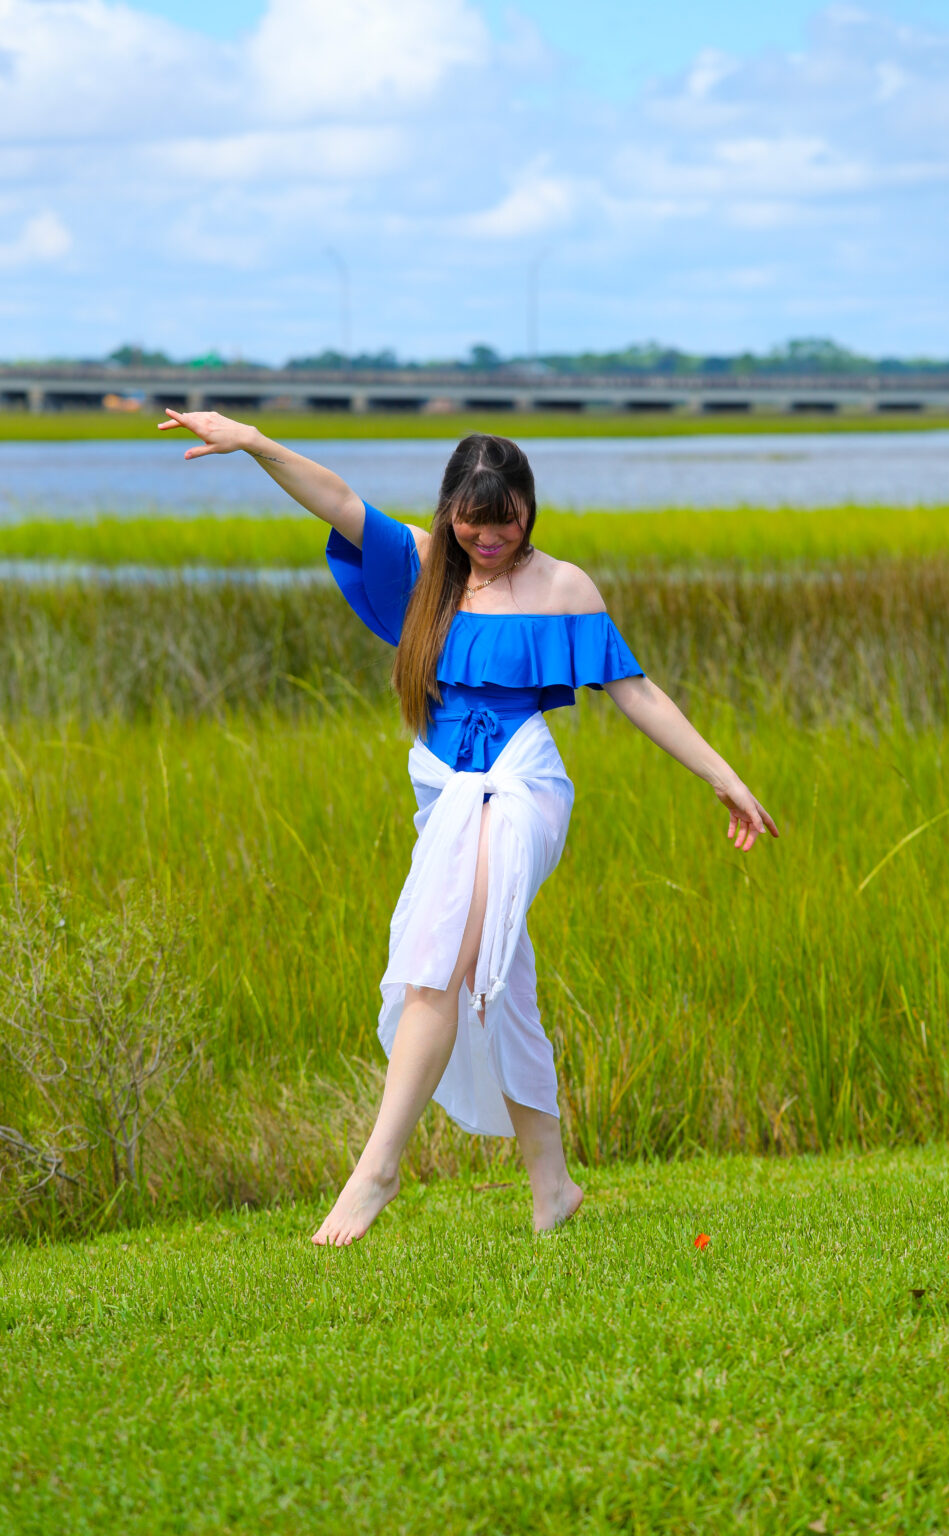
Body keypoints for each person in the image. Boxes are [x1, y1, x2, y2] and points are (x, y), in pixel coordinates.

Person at [158, 411, 779, 1245]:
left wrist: (725, 779)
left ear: (529, 507)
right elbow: (337, 499)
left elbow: (635, 691)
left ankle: (377, 1168)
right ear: (452, 509)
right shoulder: (424, 569)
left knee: (442, 960)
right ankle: (553, 1188)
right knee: (496, 985)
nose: (491, 537)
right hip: (446, 790)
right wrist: (259, 444)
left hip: (523, 787)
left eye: (507, 520)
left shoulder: (565, 587)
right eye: (475, 521)